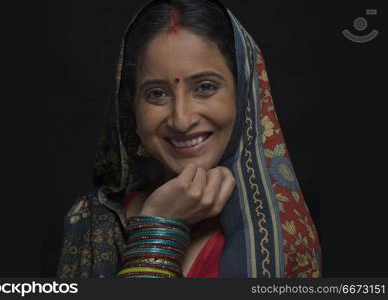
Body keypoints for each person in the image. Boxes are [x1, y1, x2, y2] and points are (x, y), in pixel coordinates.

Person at [56, 0, 321, 278]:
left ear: (243, 97)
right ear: (131, 108)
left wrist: (158, 231)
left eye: (205, 87)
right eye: (156, 93)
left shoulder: (282, 236)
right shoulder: (92, 221)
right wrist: (161, 223)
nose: (182, 120)